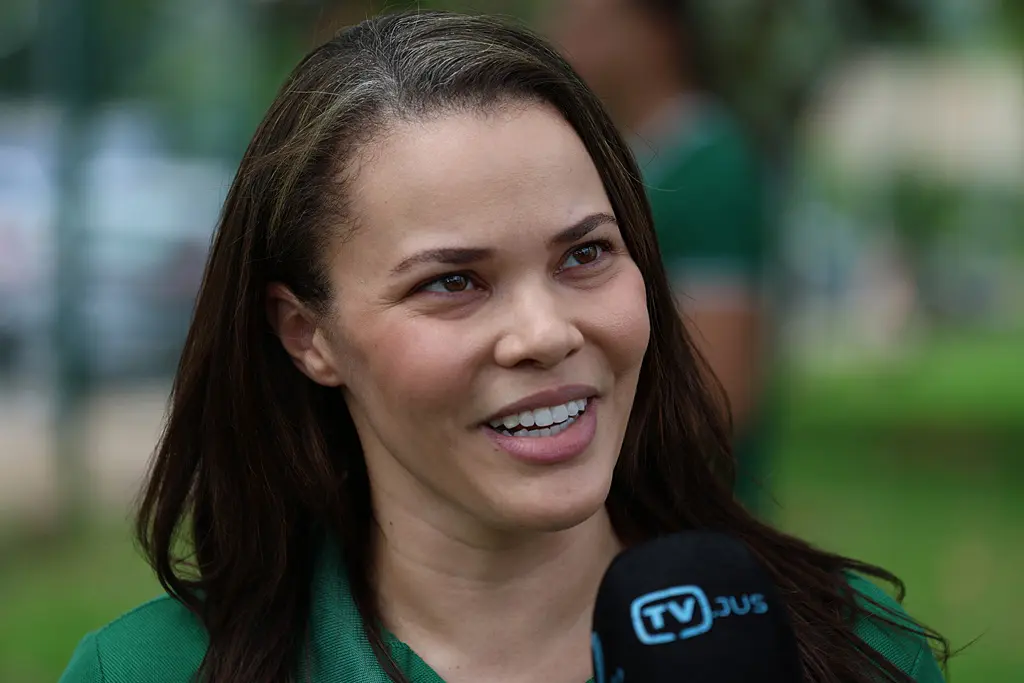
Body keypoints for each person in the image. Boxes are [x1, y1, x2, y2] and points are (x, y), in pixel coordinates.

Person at [60, 11, 945, 683]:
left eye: (586, 254)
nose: (547, 332)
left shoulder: (857, 647)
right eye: (452, 282)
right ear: (308, 335)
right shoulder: (144, 670)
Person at [547, 0, 775, 512]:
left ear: (661, 36)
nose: (565, 41)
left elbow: (723, 389)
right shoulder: (631, 157)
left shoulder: (710, 172)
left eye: (593, 27)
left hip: (681, 514)